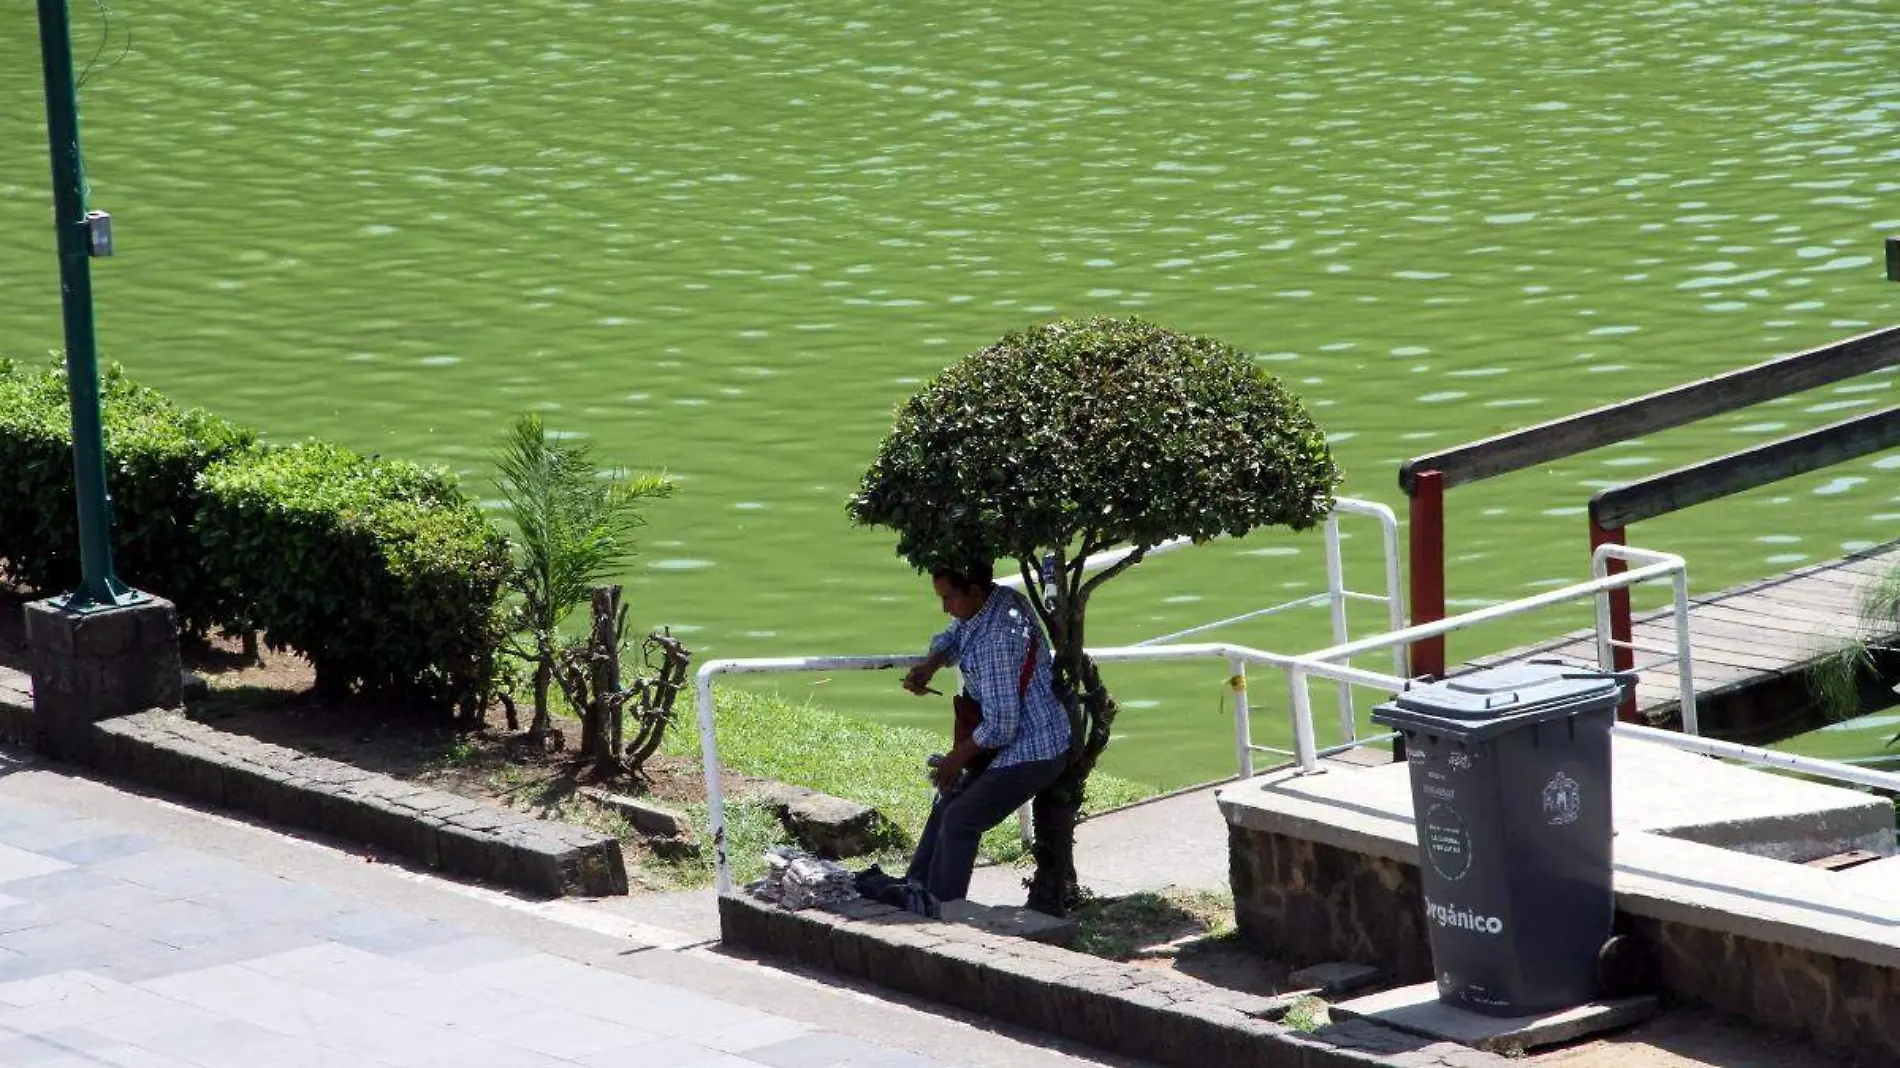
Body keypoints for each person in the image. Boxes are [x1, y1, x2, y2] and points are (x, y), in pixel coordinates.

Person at [898, 560, 1071, 907]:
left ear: (973, 592)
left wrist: (956, 758)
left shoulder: (998, 641)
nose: (944, 607)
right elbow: (955, 632)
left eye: (948, 598)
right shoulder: (998, 600)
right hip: (1014, 742)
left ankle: (942, 913)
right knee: (947, 801)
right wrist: (932, 663)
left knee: (961, 820)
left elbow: (1002, 726)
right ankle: (914, 893)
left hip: (1035, 750)